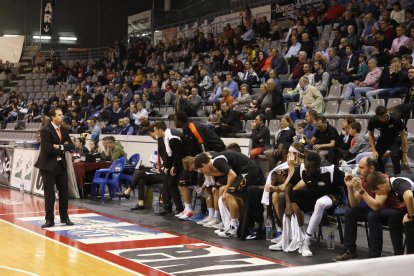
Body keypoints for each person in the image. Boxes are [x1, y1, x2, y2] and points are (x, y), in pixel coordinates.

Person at [333, 157, 406, 261]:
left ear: (371, 169)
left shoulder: (382, 179)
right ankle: (349, 251)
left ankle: (374, 256)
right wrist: (349, 187)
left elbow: (377, 206)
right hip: (377, 211)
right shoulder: (363, 179)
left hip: (393, 211)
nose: (358, 170)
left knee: (373, 215)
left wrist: (361, 190)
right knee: (350, 212)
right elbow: (353, 204)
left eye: (361, 167)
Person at [195, 151, 265, 238]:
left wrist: (226, 191)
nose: (203, 172)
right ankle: (239, 223)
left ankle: (234, 227)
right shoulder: (215, 159)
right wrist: (210, 173)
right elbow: (225, 173)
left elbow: (232, 175)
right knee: (226, 191)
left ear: (204, 164)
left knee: (228, 195)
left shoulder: (217, 161)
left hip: (250, 171)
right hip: (245, 172)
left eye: (202, 170)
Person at [34, 108, 75, 228]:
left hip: (61, 165)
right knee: (49, 194)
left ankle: (64, 217)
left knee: (64, 192)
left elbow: (71, 146)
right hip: (48, 166)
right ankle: (49, 219)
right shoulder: (45, 130)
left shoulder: (64, 129)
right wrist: (63, 147)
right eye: (59, 115)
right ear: (53, 117)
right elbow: (49, 149)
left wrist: (60, 147)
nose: (62, 117)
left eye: (62, 115)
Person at [366, 172, 414, 254]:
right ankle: (398, 254)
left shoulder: (397, 183)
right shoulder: (390, 184)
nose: (378, 195)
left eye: (376, 193)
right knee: (393, 220)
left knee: (409, 223)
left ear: (380, 187)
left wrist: (410, 216)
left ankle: (410, 256)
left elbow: (409, 196)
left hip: (412, 206)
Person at [148, 121, 185, 216]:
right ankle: (176, 208)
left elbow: (178, 154)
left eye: (155, 131)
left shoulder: (172, 137)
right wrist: (167, 167)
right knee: (169, 184)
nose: (155, 133)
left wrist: (173, 167)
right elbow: (169, 154)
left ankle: (181, 208)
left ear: (160, 130)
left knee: (175, 185)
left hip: (183, 162)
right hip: (175, 162)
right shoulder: (165, 137)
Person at [367, 105, 408, 174]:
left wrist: (404, 155)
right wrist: (374, 150)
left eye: (387, 114)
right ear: (379, 117)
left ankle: (397, 176)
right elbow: (370, 135)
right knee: (376, 156)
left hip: (396, 136)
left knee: (394, 155)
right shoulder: (373, 121)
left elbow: (403, 136)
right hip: (384, 137)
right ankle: (381, 175)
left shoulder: (395, 119)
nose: (387, 116)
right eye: (385, 116)